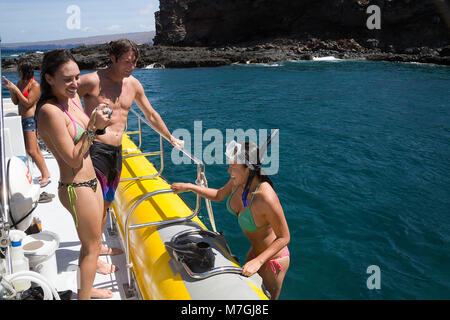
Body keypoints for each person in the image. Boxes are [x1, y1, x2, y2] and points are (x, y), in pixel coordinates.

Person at [77, 39, 183, 273]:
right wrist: (77, 129)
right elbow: (63, 101)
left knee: (105, 205)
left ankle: (96, 247)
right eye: (127, 61)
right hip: (95, 149)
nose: (131, 66)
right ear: (112, 58)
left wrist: (170, 138)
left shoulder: (133, 84)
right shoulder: (91, 81)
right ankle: (91, 261)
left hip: (116, 152)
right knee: (93, 209)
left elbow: (151, 114)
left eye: (135, 62)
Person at [35, 49, 113, 299]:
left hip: (91, 183)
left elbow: (87, 135)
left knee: (89, 246)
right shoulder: (50, 111)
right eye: (68, 79)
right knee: (91, 249)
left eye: (77, 77)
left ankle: (86, 290)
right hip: (76, 188)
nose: (75, 84)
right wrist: (93, 127)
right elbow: (72, 157)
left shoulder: (71, 101)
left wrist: (98, 122)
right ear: (48, 78)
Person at [171, 141, 290, 300]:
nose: (228, 170)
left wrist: (258, 262)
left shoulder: (266, 197)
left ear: (248, 169)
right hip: (255, 253)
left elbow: (284, 237)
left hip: (272, 261)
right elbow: (219, 195)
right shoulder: (238, 182)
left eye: (233, 166)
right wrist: (190, 187)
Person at [3, 59, 51, 187]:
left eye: (19, 70)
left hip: (30, 120)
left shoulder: (34, 85)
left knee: (32, 150)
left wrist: (16, 89)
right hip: (21, 119)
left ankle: (45, 174)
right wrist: (12, 89)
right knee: (34, 149)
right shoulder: (19, 83)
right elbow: (16, 102)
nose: (18, 72)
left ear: (24, 71)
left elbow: (28, 103)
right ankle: (45, 173)